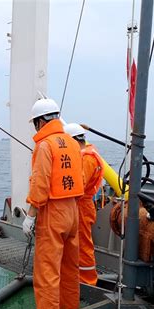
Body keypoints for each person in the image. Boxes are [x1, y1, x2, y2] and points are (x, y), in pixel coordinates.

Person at [22, 99, 84, 309]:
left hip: (53, 213)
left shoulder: (45, 145)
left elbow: (40, 184)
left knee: (47, 273)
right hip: (73, 211)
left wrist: (30, 216)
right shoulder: (73, 143)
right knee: (69, 269)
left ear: (40, 122)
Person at [64, 123, 104, 286]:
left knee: (83, 245)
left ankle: (87, 281)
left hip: (81, 206)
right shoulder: (87, 154)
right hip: (80, 205)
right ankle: (75, 277)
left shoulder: (87, 158)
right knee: (76, 244)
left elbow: (79, 185)